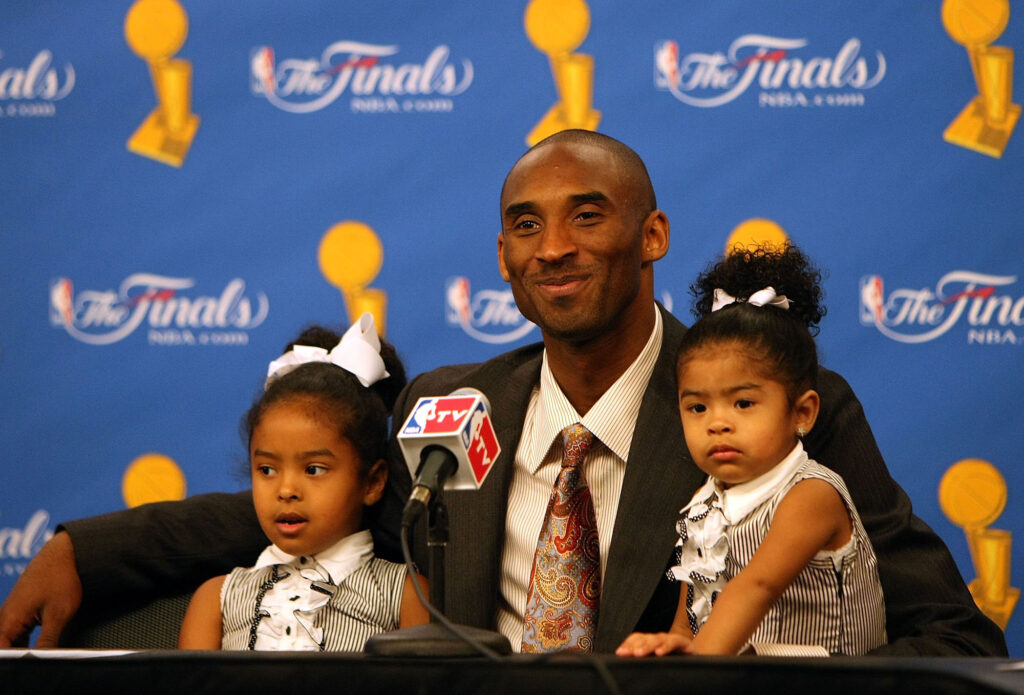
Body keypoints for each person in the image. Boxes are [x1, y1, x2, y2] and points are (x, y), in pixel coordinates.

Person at [0, 130, 1007, 657]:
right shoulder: (451, 406)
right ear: (500, 256)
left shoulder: (771, 401)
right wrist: (88, 544)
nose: (554, 247)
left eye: (587, 214)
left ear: (653, 235)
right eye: (525, 225)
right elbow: (305, 503)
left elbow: (949, 632)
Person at [617, 244, 886, 657]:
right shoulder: (702, 504)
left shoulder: (812, 494)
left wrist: (695, 669)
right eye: (697, 407)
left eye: (743, 403)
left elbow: (756, 586)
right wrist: (671, 650)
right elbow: (692, 616)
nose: (717, 422)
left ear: (803, 412)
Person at [177, 315, 429, 650]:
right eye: (267, 470)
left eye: (314, 469)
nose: (286, 490)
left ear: (372, 482)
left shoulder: (406, 594)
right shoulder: (216, 599)